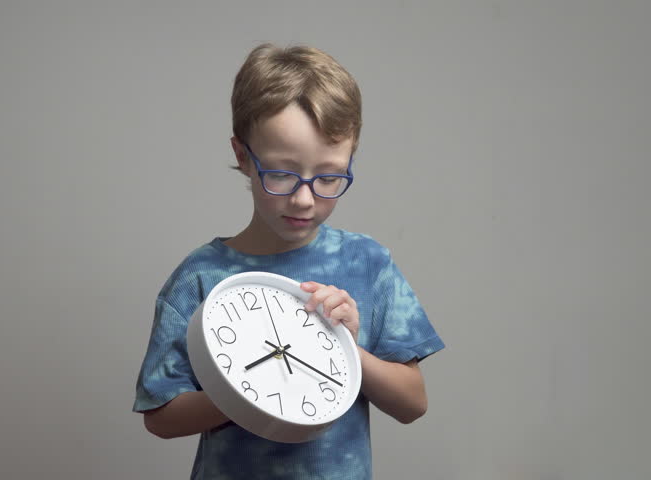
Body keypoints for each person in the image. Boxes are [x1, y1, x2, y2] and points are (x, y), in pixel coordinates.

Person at [132, 43, 445, 480]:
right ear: (243, 157)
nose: (304, 198)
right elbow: (160, 416)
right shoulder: (200, 276)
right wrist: (247, 395)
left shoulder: (367, 263)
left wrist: (346, 350)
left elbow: (413, 404)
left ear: (350, 160)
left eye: (329, 177)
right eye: (281, 173)